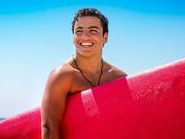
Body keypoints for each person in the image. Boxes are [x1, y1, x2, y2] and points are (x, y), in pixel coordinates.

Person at [41, 8, 127, 139]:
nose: (85, 37)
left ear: (105, 37)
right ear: (73, 37)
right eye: (79, 31)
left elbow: (125, 122)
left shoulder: (119, 78)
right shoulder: (62, 76)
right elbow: (49, 127)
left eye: (93, 31)